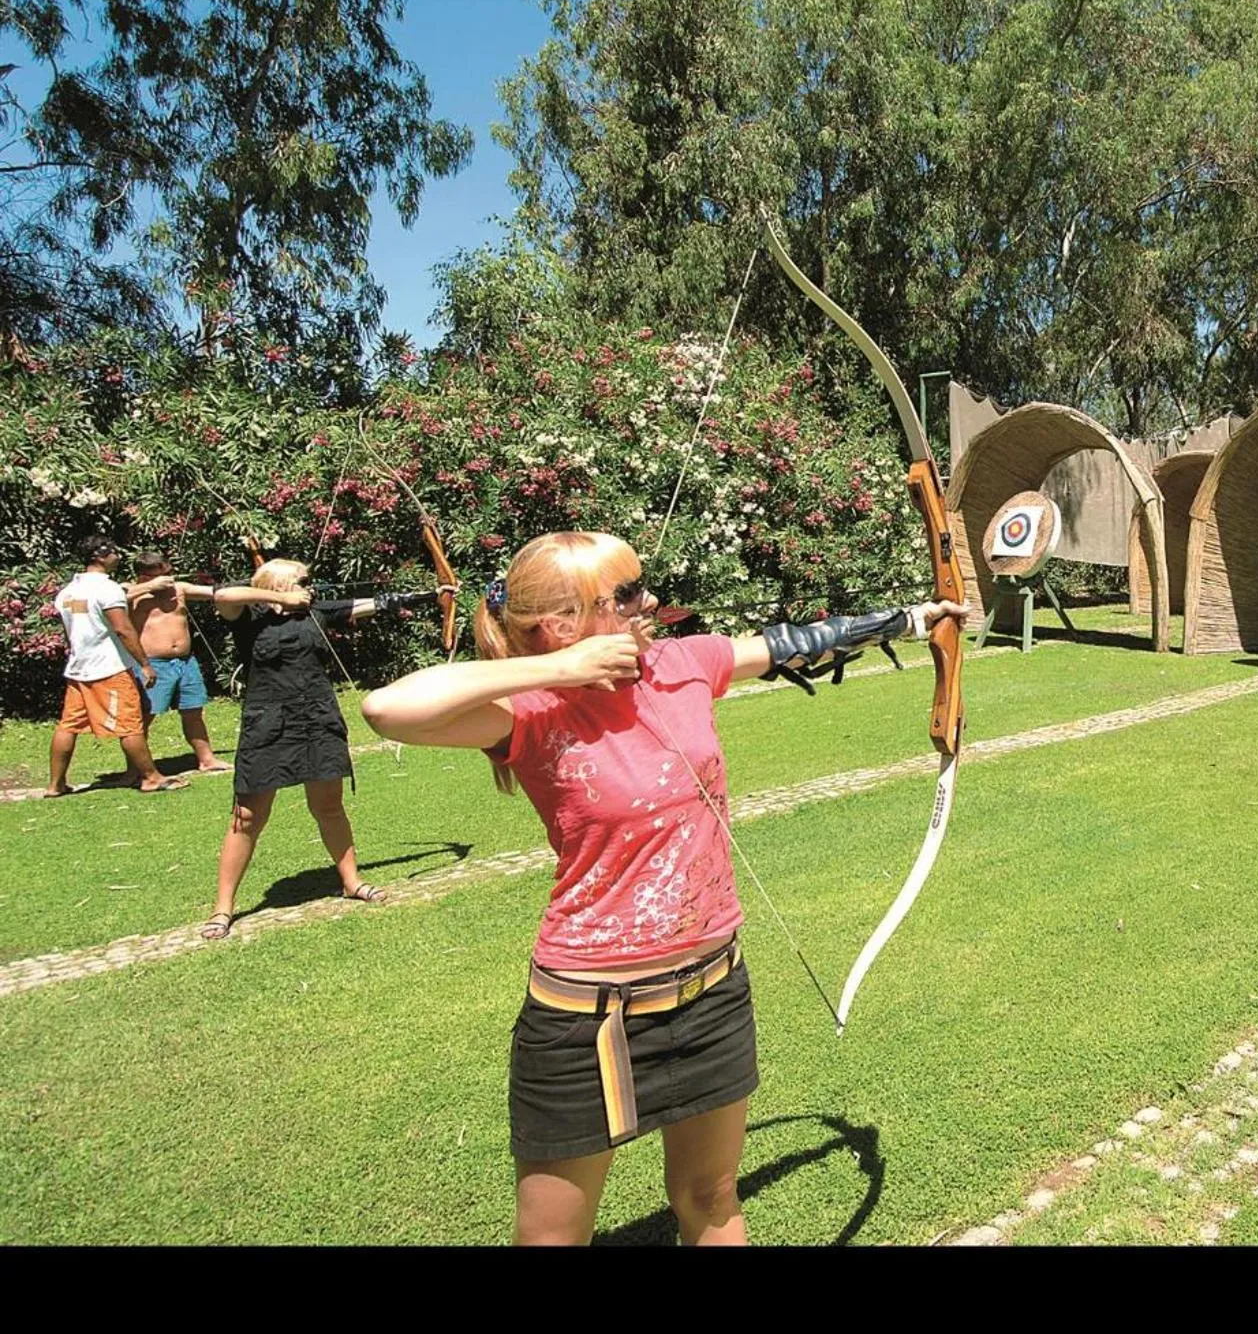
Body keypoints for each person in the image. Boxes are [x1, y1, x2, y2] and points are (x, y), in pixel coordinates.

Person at [360, 529, 965, 1246]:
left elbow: (794, 643)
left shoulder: (680, 662)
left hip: (712, 991)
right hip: (585, 1017)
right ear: (561, 625)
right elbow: (386, 709)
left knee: (709, 1196)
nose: (649, 601)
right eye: (625, 595)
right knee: (553, 1238)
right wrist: (558, 668)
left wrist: (917, 619)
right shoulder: (530, 711)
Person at [200, 558, 452, 941]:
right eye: (303, 580)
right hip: (267, 723)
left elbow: (377, 603)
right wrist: (278, 597)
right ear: (281, 583)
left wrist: (434, 594)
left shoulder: (316, 612)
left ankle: (351, 881)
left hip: (317, 718)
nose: (312, 586)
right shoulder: (248, 616)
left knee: (329, 806)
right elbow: (224, 594)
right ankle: (223, 908)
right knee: (247, 816)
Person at [45, 535, 184, 796]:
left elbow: (70, 632)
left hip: (78, 668)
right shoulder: (107, 590)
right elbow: (123, 629)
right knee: (131, 723)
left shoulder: (68, 592)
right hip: (109, 668)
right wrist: (144, 664)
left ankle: (55, 785)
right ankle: (152, 777)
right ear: (100, 556)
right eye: (114, 551)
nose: (118, 555)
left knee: (68, 725)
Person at [126, 550, 231, 776]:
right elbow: (108, 601)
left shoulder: (179, 589)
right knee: (145, 716)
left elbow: (216, 592)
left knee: (193, 710)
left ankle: (207, 759)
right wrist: (148, 587)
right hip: (152, 663)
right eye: (162, 575)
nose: (169, 579)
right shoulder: (130, 592)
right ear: (144, 576)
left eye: (169, 572)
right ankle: (136, 769)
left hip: (185, 662)